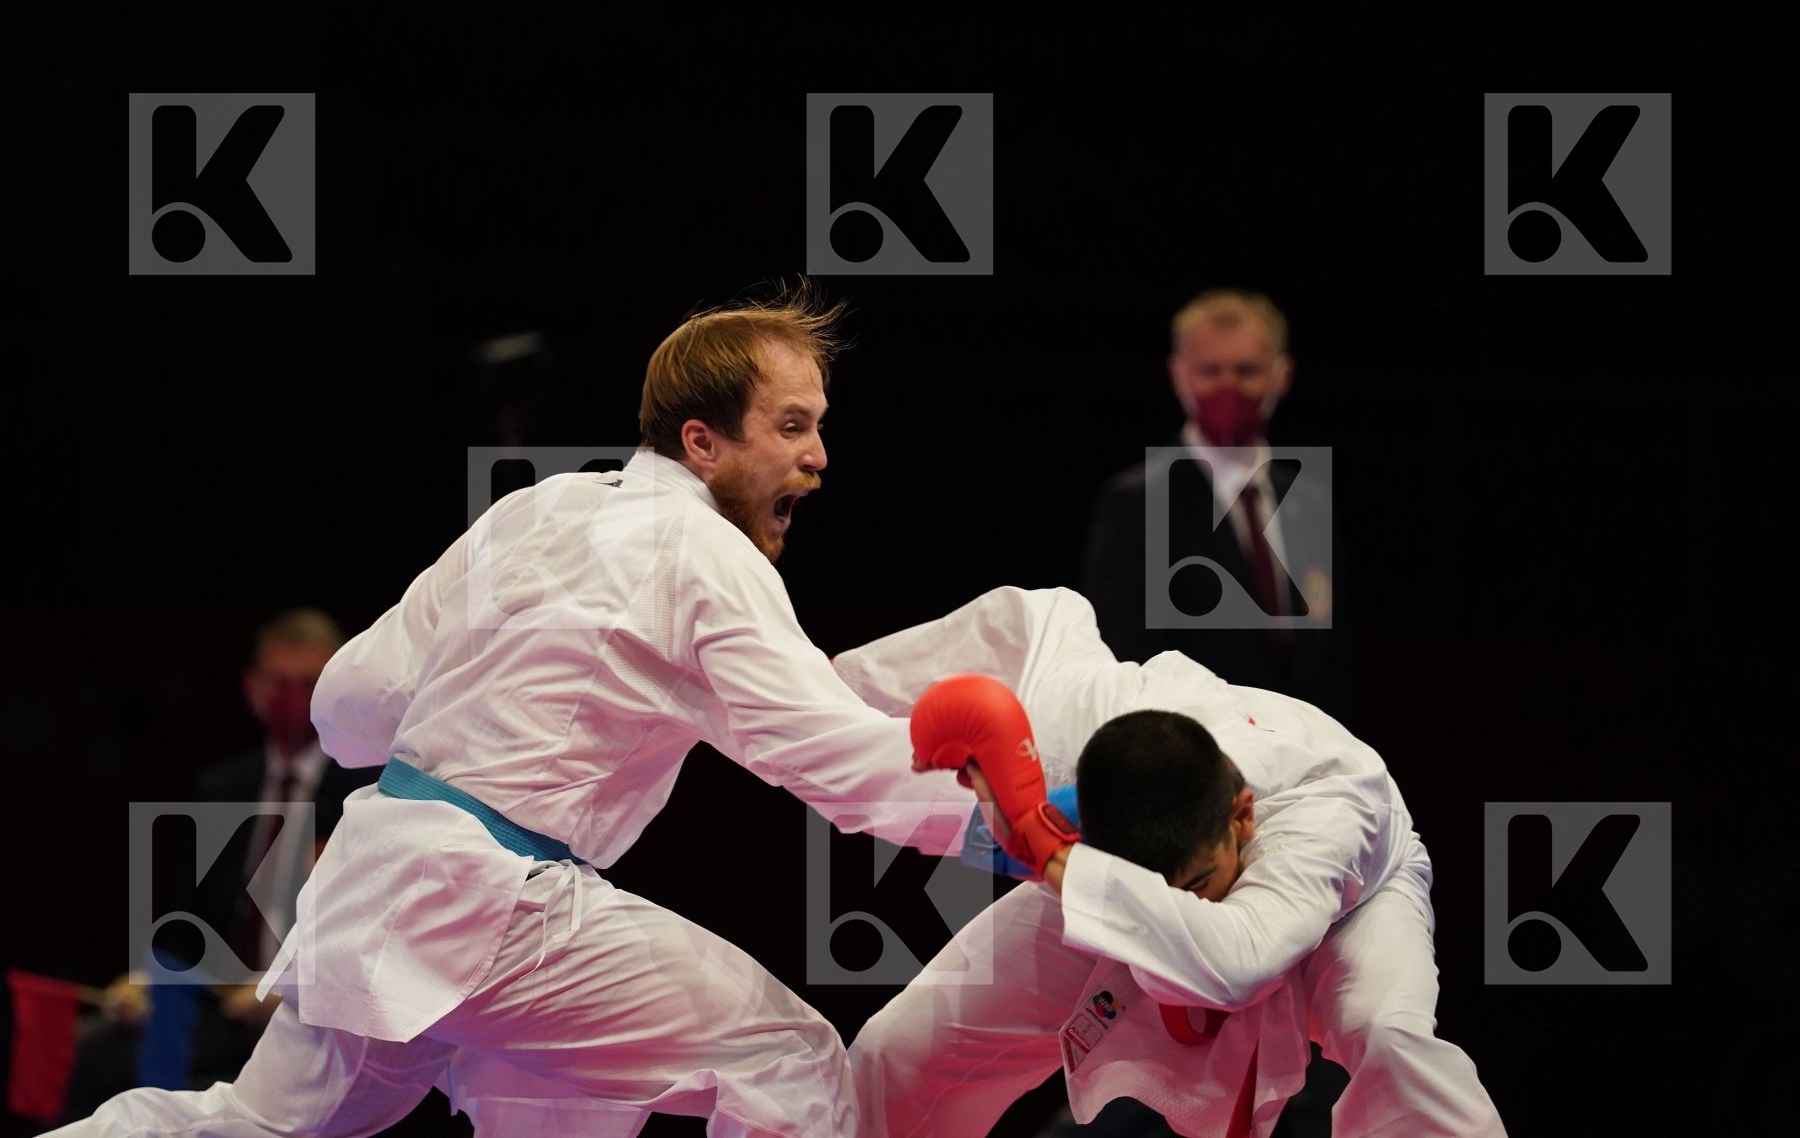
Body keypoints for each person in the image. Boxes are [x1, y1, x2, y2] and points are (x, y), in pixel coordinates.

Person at [49, 283, 978, 1138]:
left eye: (818, 426)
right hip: (497, 904)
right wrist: (1014, 823)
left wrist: (468, 735)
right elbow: (827, 754)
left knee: (256, 1126)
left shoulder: (537, 509)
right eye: (792, 425)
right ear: (703, 442)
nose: (818, 456)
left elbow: (347, 705)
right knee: (789, 1061)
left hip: (382, 880)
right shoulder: (707, 554)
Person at [837, 586, 1506, 1137]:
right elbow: (1026, 623)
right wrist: (815, 685)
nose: (1189, 905)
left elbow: (1238, 962)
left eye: (1199, 883)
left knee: (1386, 1036)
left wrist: (1045, 850)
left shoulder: (1323, 817)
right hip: (1117, 877)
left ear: (1241, 817)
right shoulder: (1086, 730)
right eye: (1159, 887)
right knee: (906, 1046)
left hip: (1353, 906)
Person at [59, 609, 380, 1121]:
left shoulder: (369, 795)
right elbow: (185, 926)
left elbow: (373, 935)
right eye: (279, 684)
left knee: (190, 1095)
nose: (293, 699)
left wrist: (292, 990)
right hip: (220, 1010)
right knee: (87, 1056)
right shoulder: (223, 788)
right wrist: (146, 980)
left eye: (309, 683)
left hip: (314, 1019)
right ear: (253, 688)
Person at [1081, 290, 1348, 724]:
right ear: (1179, 375)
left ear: (1282, 374)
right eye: (1210, 371)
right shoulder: (1137, 503)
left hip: (1305, 750)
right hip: (1196, 753)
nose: (1229, 388)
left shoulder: (1310, 502)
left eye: (1247, 370)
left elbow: (1330, 662)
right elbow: (1126, 666)